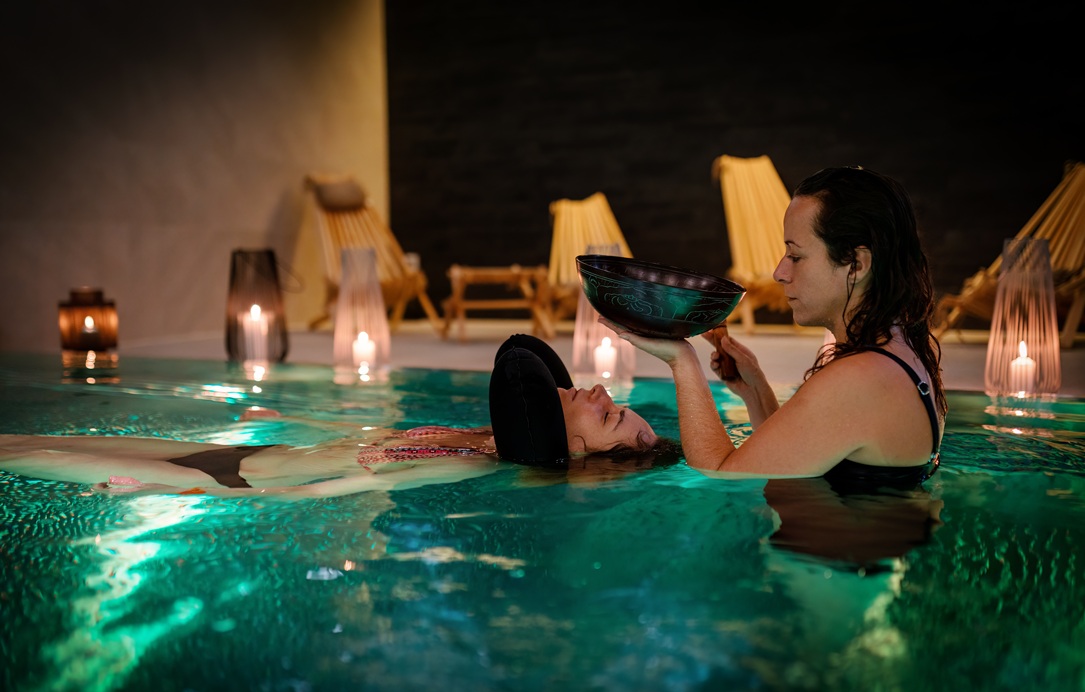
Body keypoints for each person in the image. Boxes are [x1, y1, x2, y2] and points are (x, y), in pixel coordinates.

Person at [0, 335, 679, 496]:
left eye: (611, 419)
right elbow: (369, 441)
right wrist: (295, 422)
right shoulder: (483, 437)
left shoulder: (467, 465)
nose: (601, 395)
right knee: (25, 438)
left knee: (34, 459)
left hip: (234, 486)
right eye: (618, 402)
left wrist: (164, 488)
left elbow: (350, 486)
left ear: (581, 458)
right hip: (238, 458)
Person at [604, 166, 945, 483]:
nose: (779, 273)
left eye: (796, 256)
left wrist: (682, 360)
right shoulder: (911, 350)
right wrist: (755, 390)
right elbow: (794, 456)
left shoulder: (859, 379)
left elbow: (724, 476)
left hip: (814, 551)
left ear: (856, 265)